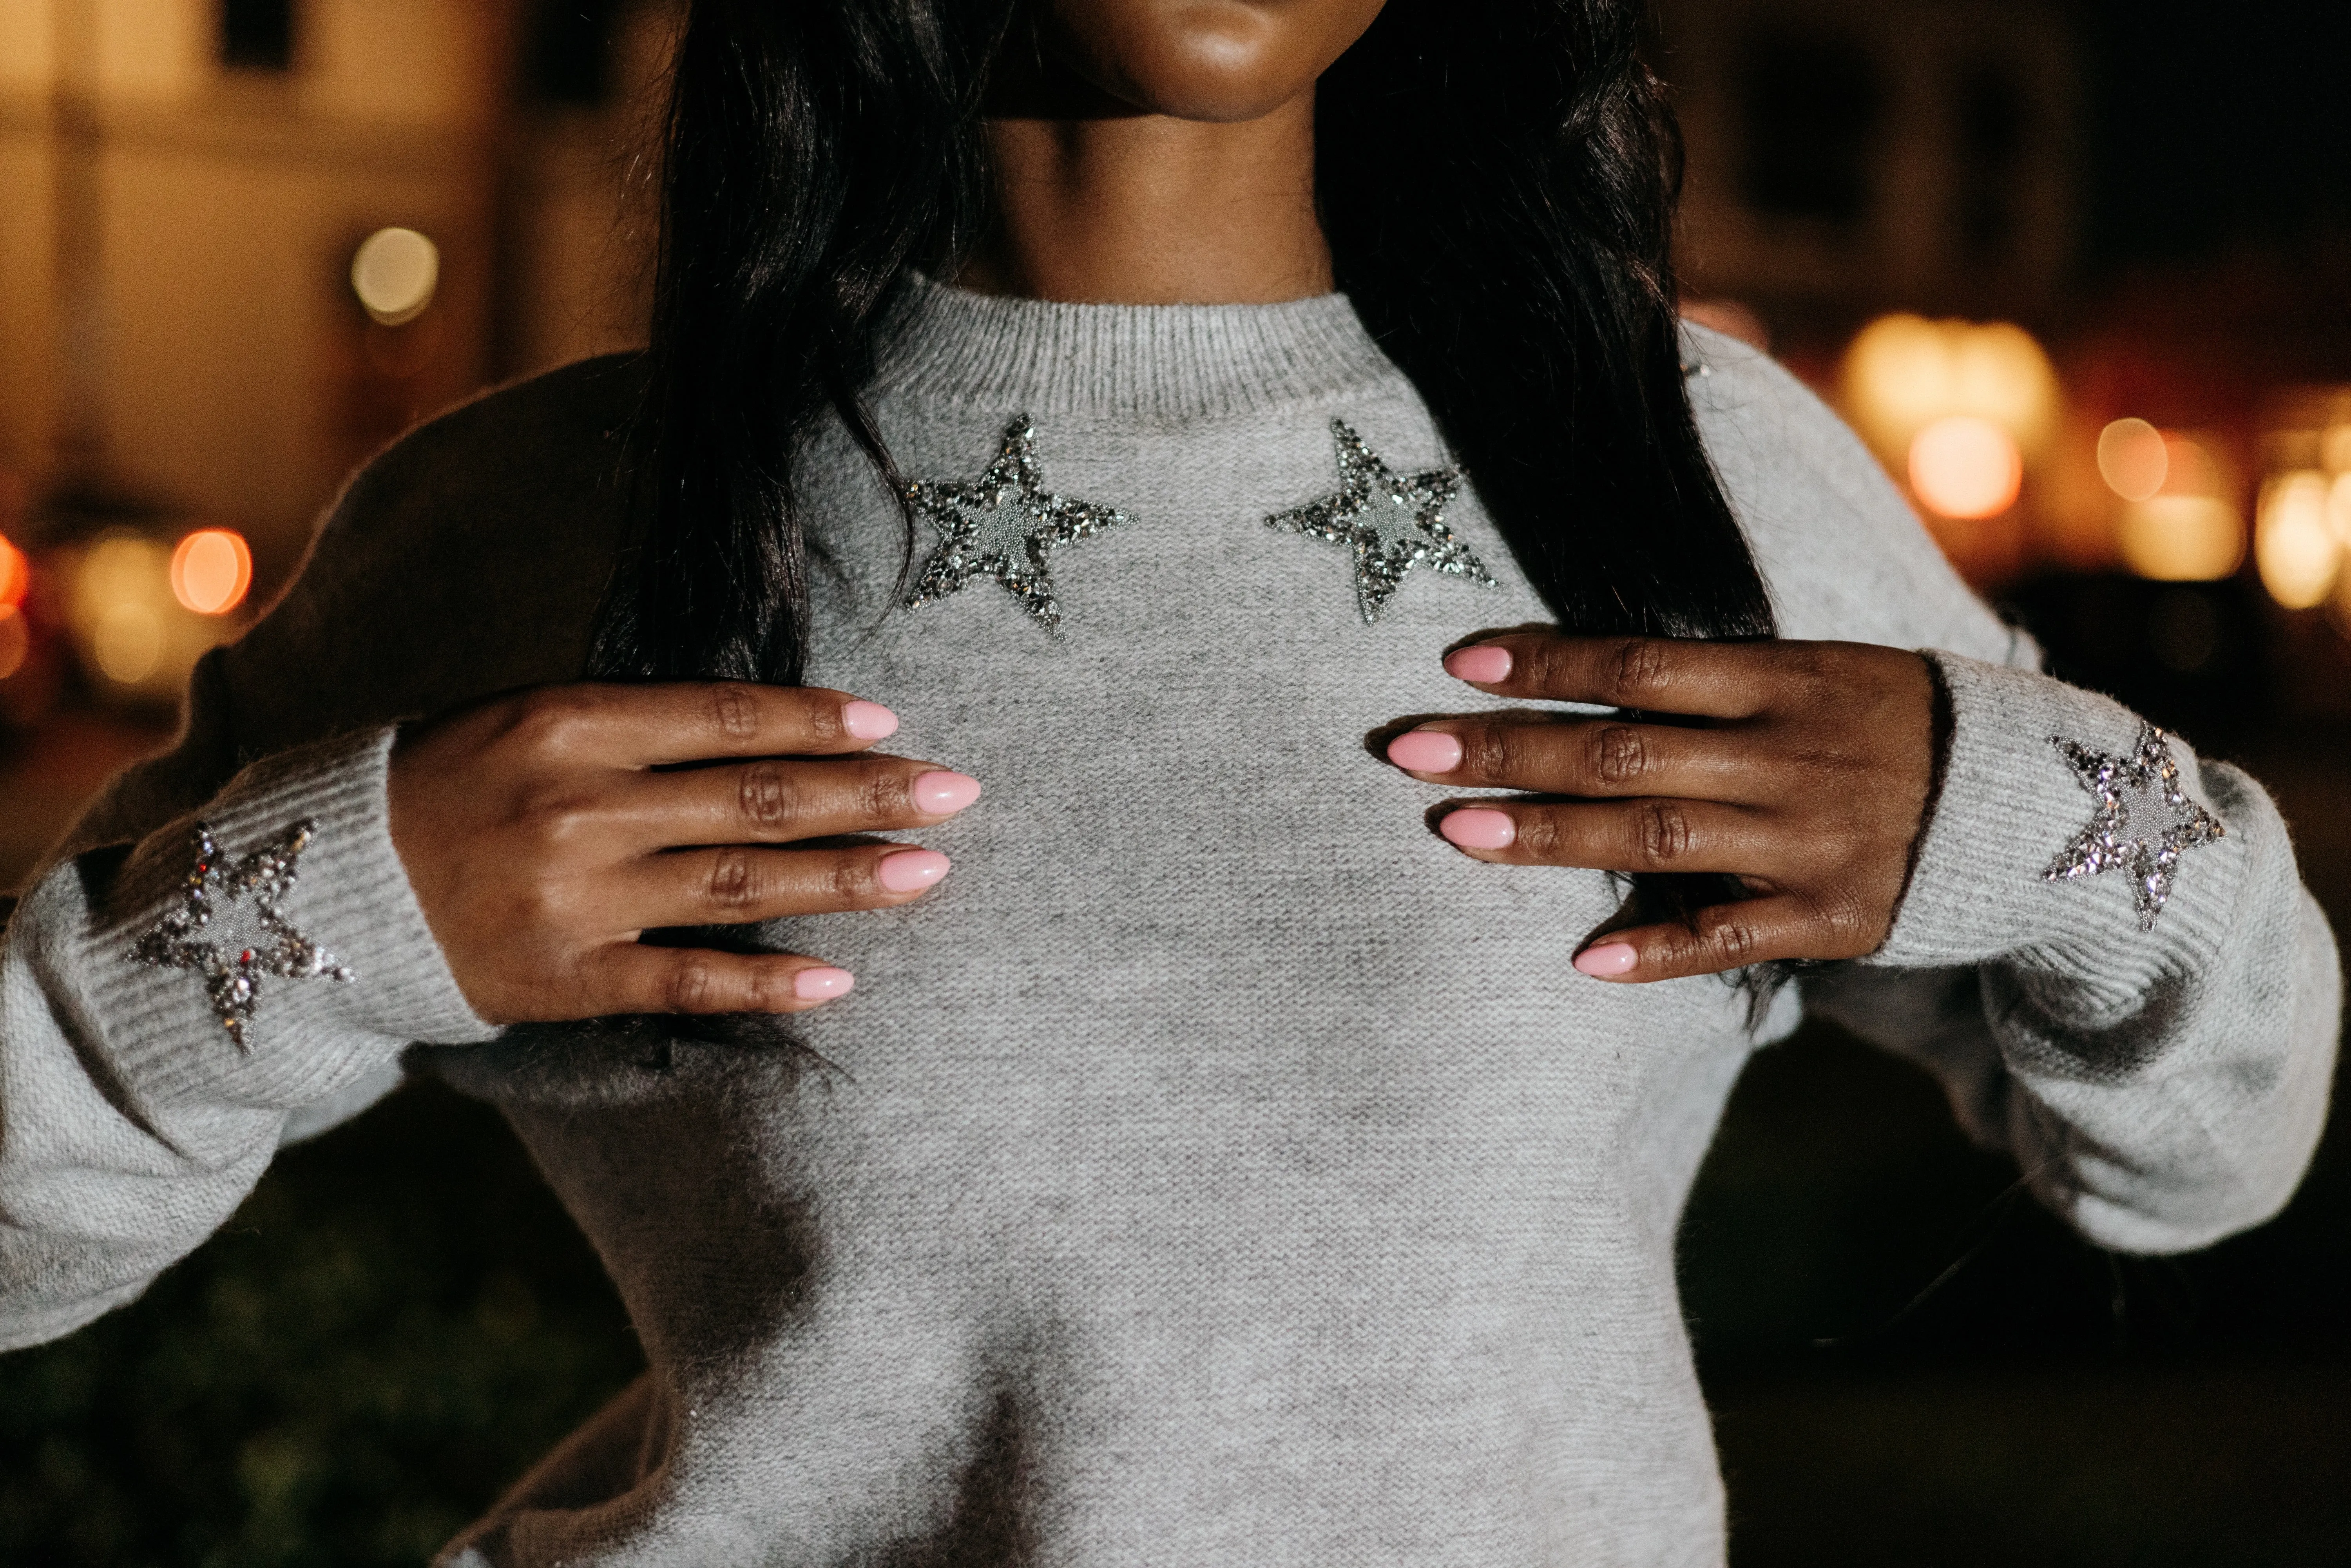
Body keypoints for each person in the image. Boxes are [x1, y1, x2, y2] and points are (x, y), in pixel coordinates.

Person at [0, 0, 2337, 1562]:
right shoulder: (542, 522)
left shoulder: (1694, 483)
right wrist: (339, 904)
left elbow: (2201, 1163)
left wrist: (2039, 810)